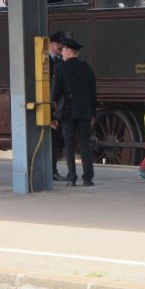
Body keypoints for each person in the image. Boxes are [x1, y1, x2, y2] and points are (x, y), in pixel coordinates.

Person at [51, 37, 97, 187]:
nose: (62, 52)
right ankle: (88, 178)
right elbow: (92, 93)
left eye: (63, 49)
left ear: (69, 51)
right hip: (84, 112)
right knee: (85, 144)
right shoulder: (87, 68)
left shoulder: (60, 68)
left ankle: (72, 177)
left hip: (67, 112)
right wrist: (93, 114)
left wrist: (52, 115)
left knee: (69, 144)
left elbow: (55, 94)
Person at [48, 31, 65, 181]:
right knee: (51, 141)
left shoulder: (59, 61)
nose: (60, 46)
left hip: (57, 108)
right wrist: (50, 115)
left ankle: (53, 169)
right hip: (49, 108)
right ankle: (51, 170)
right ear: (50, 44)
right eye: (58, 44)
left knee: (56, 141)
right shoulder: (45, 62)